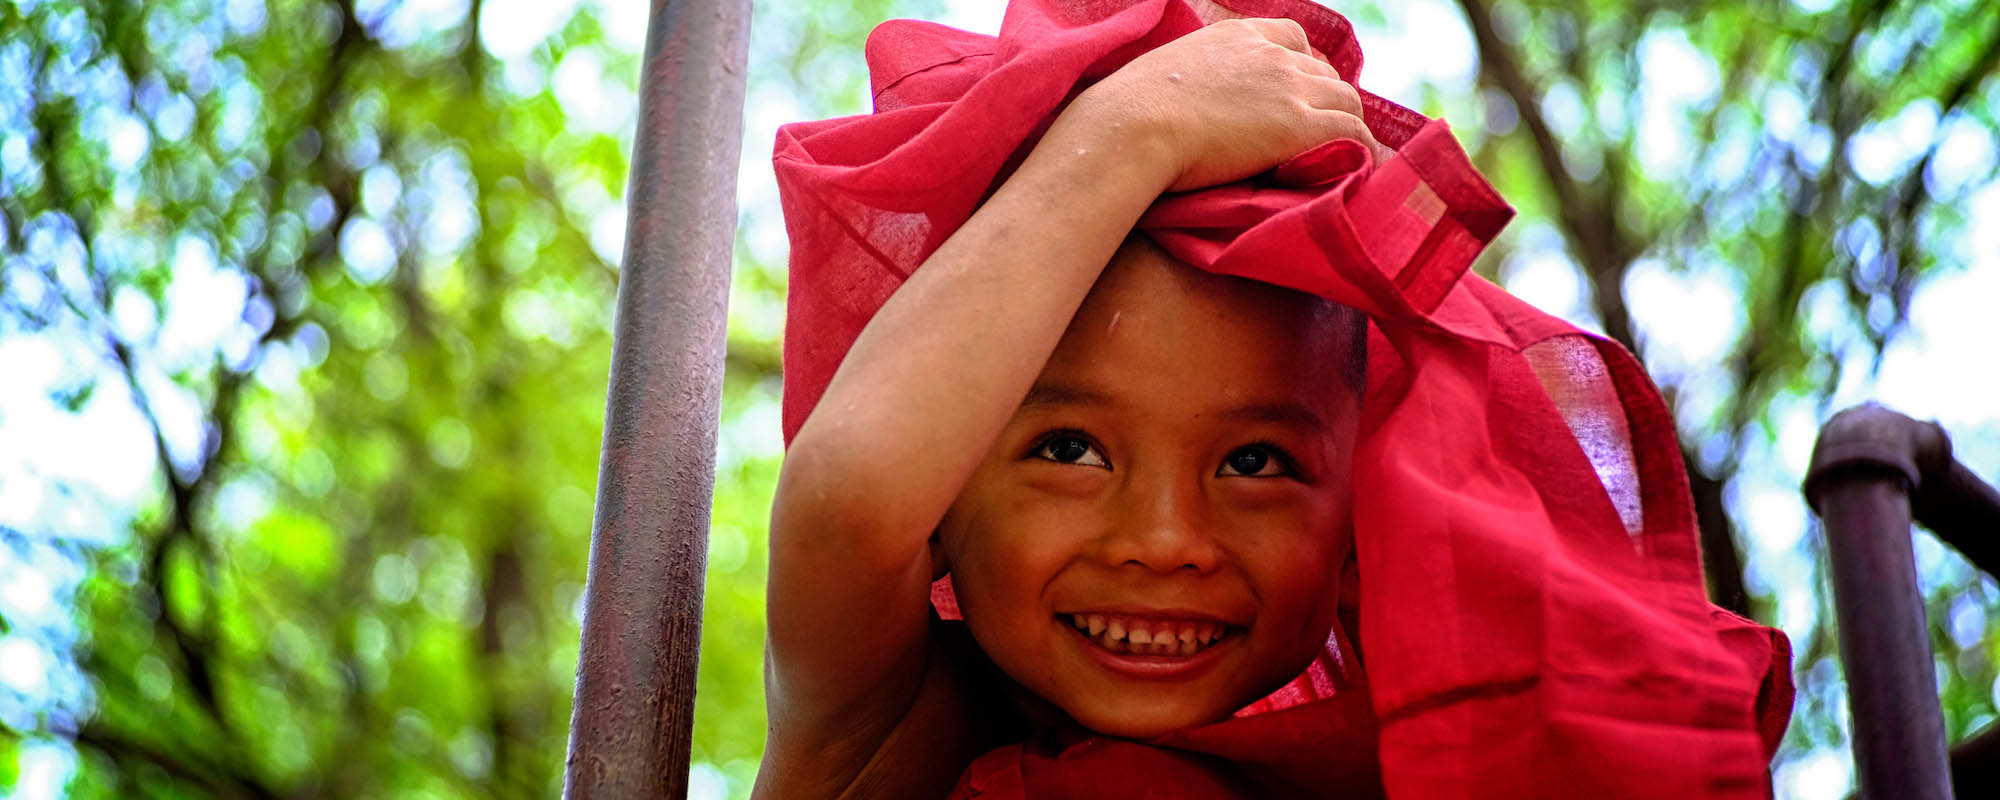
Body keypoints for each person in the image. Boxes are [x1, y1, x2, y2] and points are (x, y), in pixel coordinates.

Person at [759, 2, 1793, 798]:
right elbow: (848, 499)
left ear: (1356, 529)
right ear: (942, 494)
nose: (1163, 539)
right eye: (1069, 447)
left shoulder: (1415, 757)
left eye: (1254, 462)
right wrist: (1133, 131)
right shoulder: (886, 725)